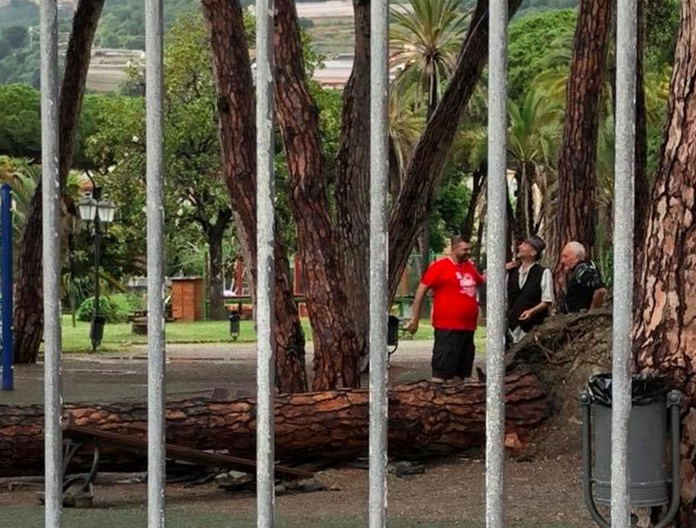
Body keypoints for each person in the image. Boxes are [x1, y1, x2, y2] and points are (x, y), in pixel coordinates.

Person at [405, 236, 484, 383]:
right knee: (443, 366)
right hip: (447, 327)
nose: (468, 252)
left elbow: (482, 280)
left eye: (469, 249)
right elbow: (421, 289)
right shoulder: (439, 267)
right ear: (454, 249)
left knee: (462, 369)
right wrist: (415, 318)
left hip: (467, 328)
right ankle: (437, 393)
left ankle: (457, 396)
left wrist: (502, 269)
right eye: (465, 249)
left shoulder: (469, 267)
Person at [506, 235, 554, 344]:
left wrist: (531, 312)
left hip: (533, 328)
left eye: (525, 245)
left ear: (533, 252)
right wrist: (502, 270)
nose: (520, 247)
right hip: (512, 327)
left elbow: (547, 301)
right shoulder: (512, 272)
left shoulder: (543, 272)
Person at [558, 241, 607, 313]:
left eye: (565, 256)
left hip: (580, 320)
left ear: (577, 258)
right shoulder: (582, 269)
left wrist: (591, 314)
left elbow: (600, 290)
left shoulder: (583, 269)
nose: (562, 260)